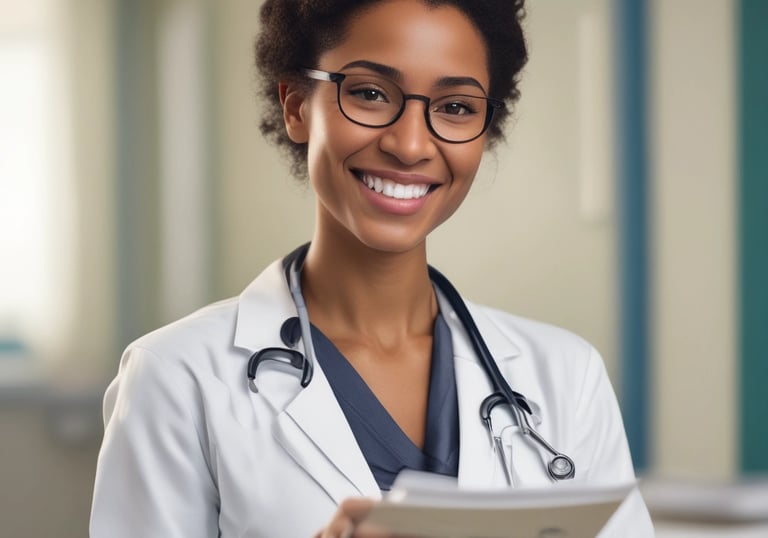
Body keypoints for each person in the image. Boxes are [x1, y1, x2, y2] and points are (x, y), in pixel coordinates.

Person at [90, 1, 655, 536]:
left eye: (455, 107)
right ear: (295, 106)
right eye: (369, 93)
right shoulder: (175, 378)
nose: (410, 145)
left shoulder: (567, 378)